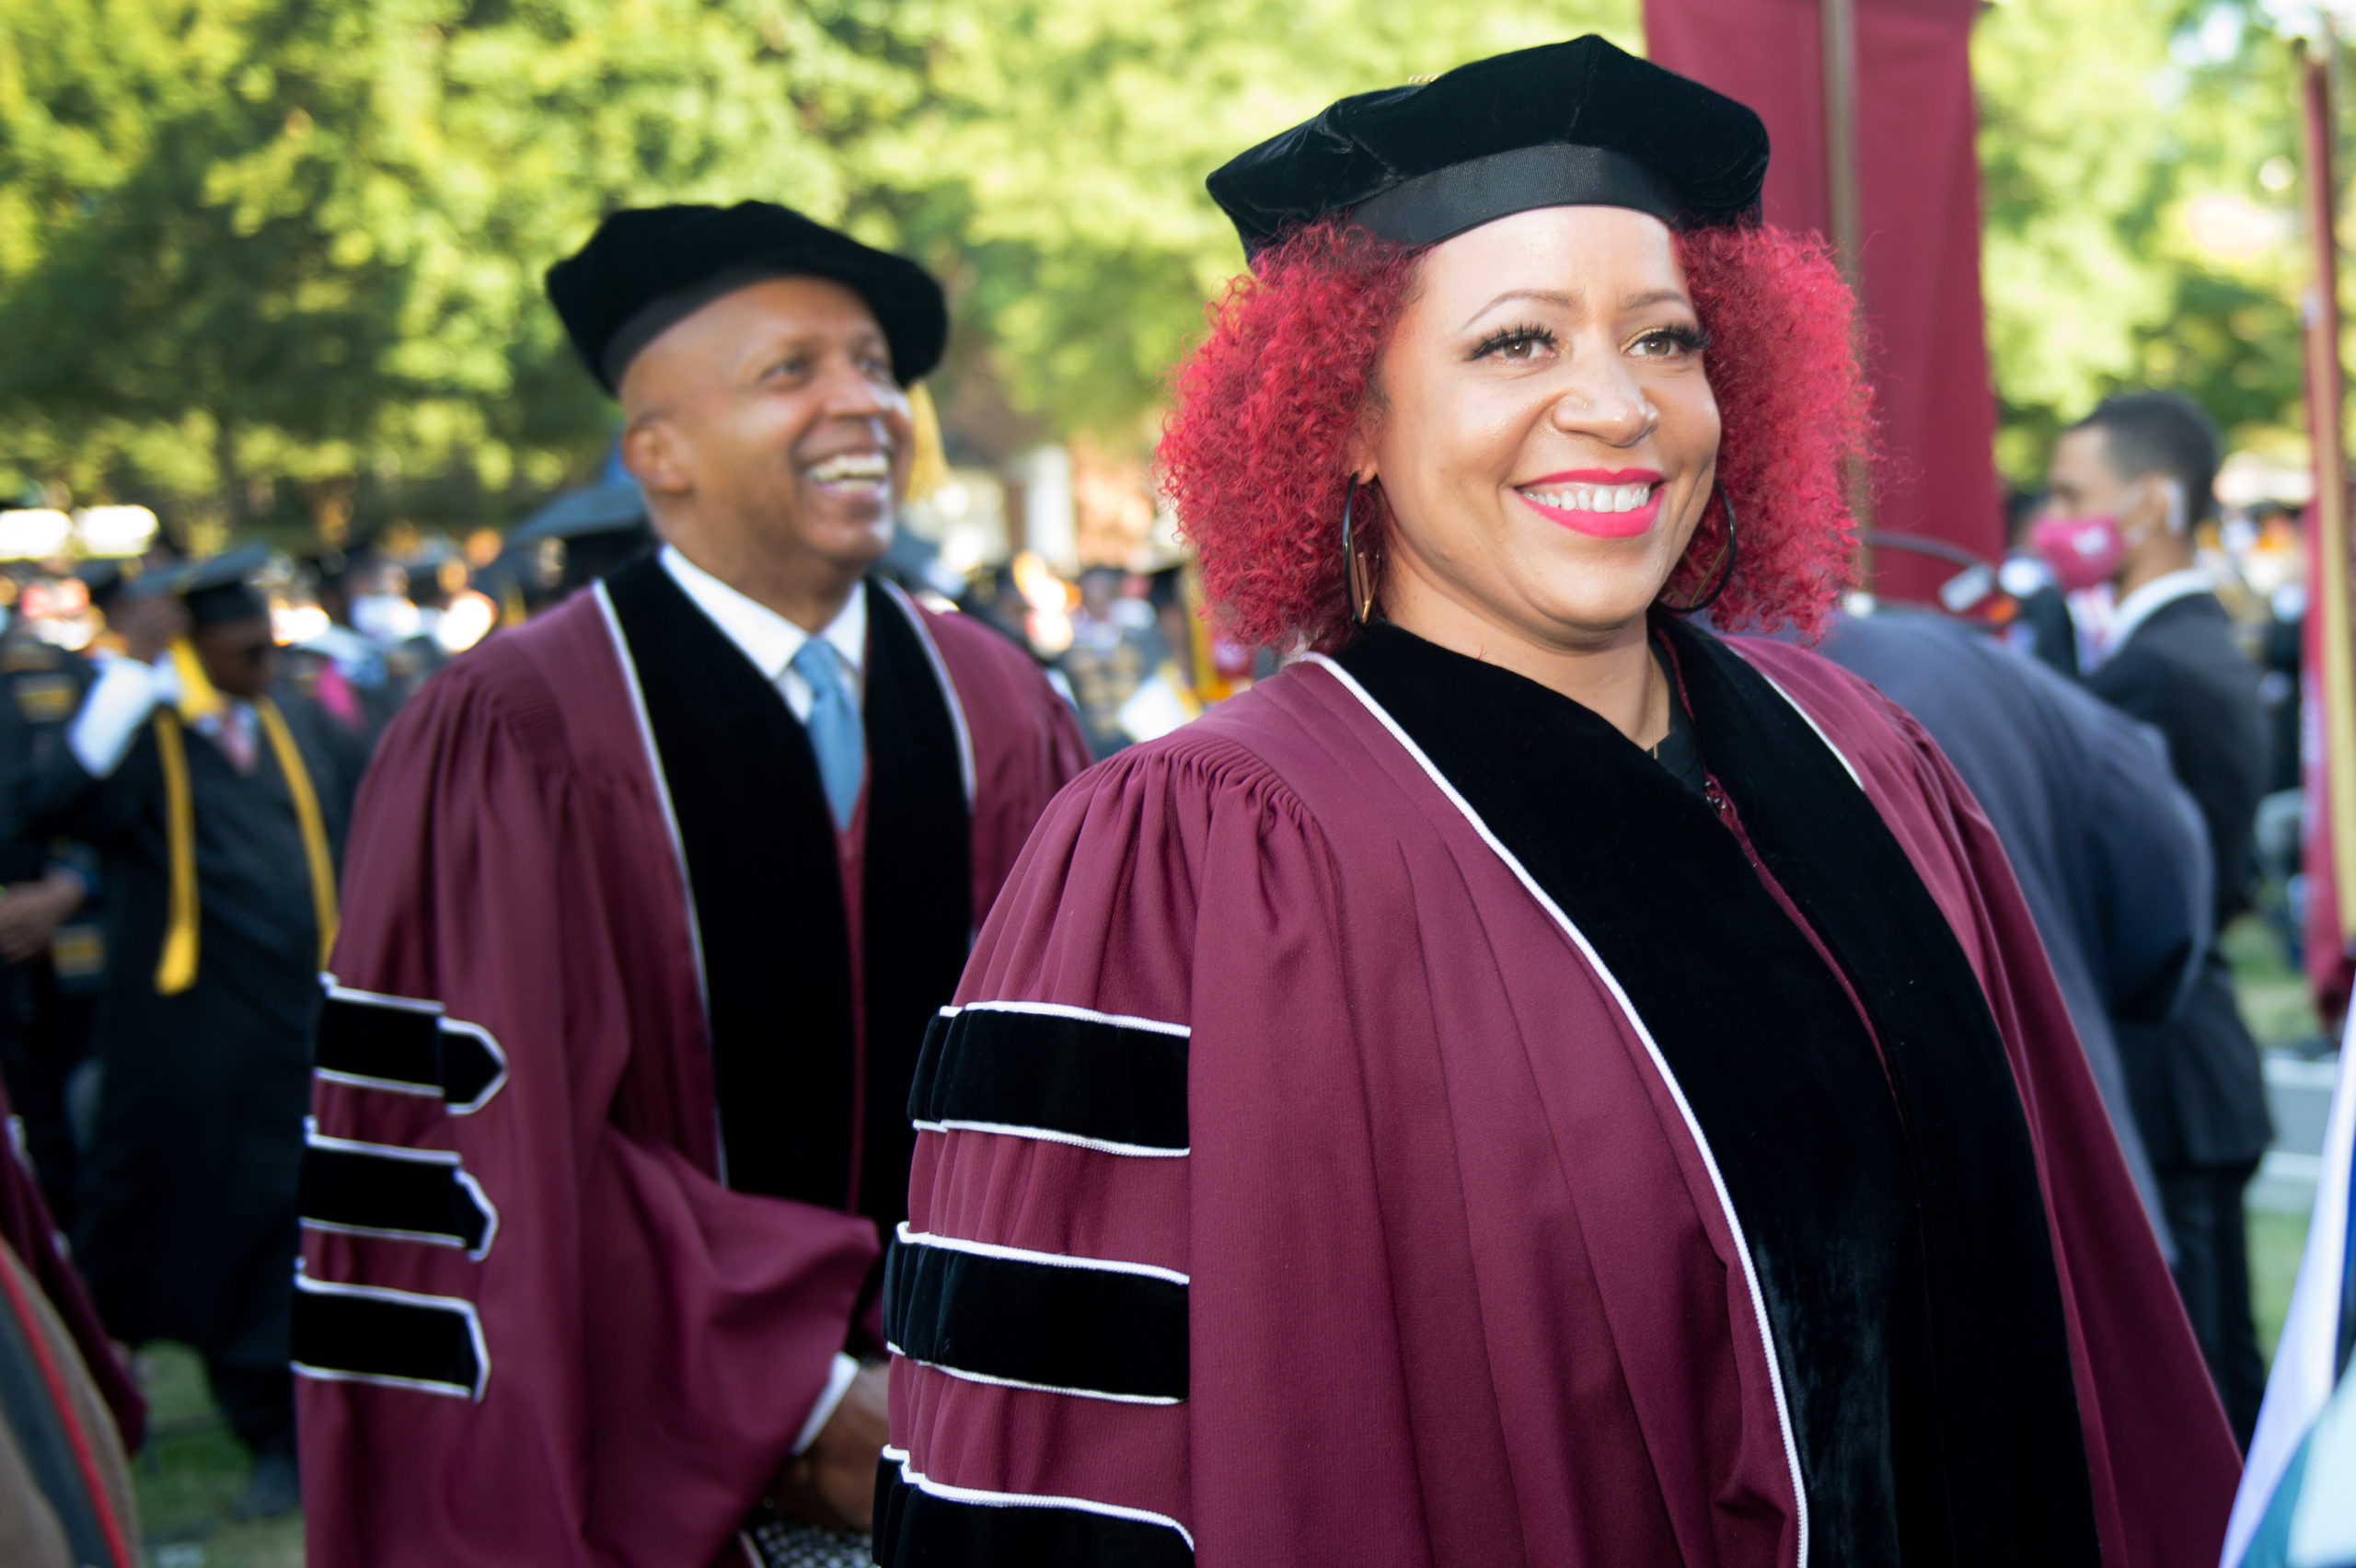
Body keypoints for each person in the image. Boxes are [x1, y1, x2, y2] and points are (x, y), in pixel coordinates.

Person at [881, 39, 2238, 1567]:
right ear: (1343, 420)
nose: (1617, 404)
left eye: (1665, 341)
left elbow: (2078, 1311)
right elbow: (1056, 1447)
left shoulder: (1863, 758)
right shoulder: (1204, 851)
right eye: (1518, 343)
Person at [294, 201, 1089, 1568]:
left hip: (997, 1433)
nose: (865, 404)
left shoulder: (996, 703)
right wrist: (801, 1390)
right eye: (794, 371)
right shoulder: (512, 729)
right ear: (654, 452)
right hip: (664, 1470)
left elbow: (1083, 1073)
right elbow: (486, 1147)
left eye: (874, 367)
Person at [11, 551, 357, 1521]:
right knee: (230, 1236)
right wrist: (129, 669)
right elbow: (55, 806)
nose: (266, 654)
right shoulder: (148, 737)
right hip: (202, 1048)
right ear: (197, 644)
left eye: (269, 637)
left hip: (308, 1028)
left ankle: (337, 1422)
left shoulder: (294, 726)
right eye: (242, 642)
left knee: (321, 1226)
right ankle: (268, 1433)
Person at [1819, 607, 2212, 1254]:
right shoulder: (1978, 665)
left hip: (1877, 1244)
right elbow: (2162, 888)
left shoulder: (1669, 697)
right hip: (2079, 1188)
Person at [2038, 391, 2276, 1445]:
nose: (2054, 523)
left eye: (2071, 497)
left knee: (2200, 1387)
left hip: (2166, 1064)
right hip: (2193, 1059)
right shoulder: (2185, 646)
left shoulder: (2158, 668)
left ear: (2152, 504)